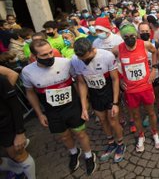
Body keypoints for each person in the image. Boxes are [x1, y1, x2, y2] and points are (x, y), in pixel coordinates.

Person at [21, 39, 96, 175]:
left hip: (72, 106)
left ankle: (89, 155)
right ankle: (74, 152)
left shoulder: (65, 63)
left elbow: (79, 82)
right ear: (34, 56)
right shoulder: (27, 72)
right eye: (44, 55)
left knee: (80, 133)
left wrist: (84, 106)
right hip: (52, 111)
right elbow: (30, 92)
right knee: (64, 136)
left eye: (51, 52)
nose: (49, 56)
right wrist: (39, 114)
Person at [72, 38, 126, 163]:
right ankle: (111, 142)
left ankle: (121, 143)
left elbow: (115, 79)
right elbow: (81, 83)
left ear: (92, 50)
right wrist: (84, 107)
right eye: (81, 59)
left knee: (113, 121)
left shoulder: (107, 56)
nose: (84, 60)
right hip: (95, 94)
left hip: (109, 92)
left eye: (86, 57)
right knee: (102, 120)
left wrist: (116, 102)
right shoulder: (75, 60)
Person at [112, 23, 159, 152]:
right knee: (135, 115)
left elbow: (154, 51)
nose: (130, 38)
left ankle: (155, 133)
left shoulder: (144, 44)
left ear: (136, 35)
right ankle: (141, 136)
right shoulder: (117, 49)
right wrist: (120, 77)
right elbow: (111, 63)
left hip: (145, 87)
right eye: (126, 36)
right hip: (130, 89)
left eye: (132, 35)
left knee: (151, 112)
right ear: (122, 38)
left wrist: (154, 69)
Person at [0, 66, 36, 179]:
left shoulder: (1, 81)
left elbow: (15, 106)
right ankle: (18, 170)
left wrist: (20, 132)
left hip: (4, 123)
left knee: (16, 154)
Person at [138, 22, 159, 127]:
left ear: (150, 32)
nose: (145, 33)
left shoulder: (156, 44)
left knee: (157, 95)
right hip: (142, 77)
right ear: (138, 33)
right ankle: (147, 114)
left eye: (146, 31)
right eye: (142, 31)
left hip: (156, 74)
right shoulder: (136, 45)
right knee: (145, 98)